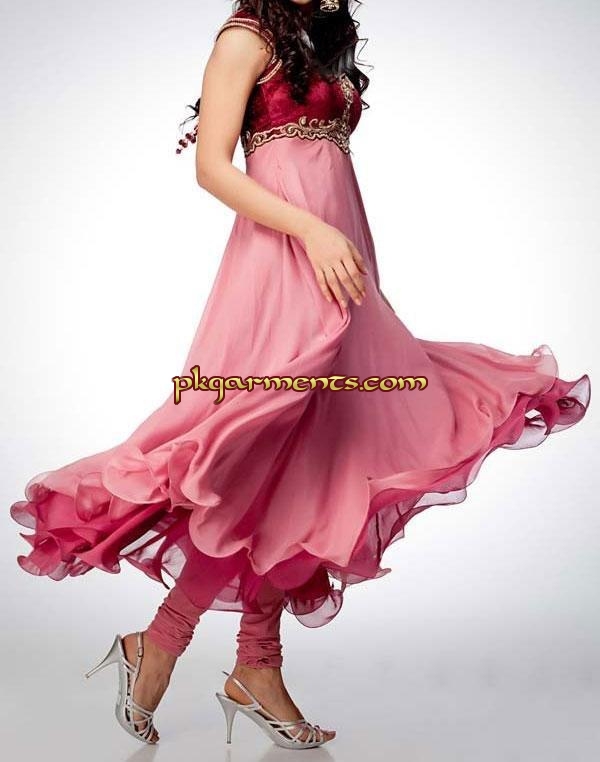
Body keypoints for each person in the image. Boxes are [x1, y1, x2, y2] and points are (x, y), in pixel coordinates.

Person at [10, 0, 591, 751]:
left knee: (310, 464)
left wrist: (334, 240)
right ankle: (172, 648)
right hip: (285, 260)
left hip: (343, 267)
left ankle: (247, 663)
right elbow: (211, 167)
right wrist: (313, 231)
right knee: (253, 450)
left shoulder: (319, 41)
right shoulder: (245, 36)